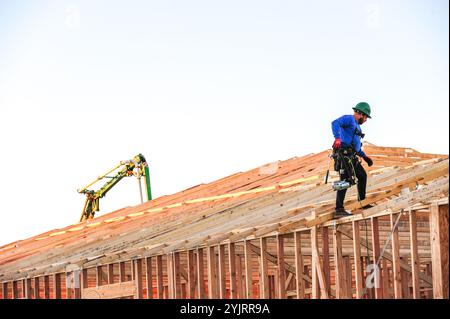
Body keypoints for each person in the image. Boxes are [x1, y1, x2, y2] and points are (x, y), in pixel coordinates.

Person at [331, 102, 374, 218]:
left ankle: (362, 202)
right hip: (344, 154)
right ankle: (338, 209)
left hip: (352, 156)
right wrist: (337, 138)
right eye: (365, 117)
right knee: (346, 180)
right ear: (360, 113)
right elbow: (335, 123)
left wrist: (365, 157)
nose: (365, 120)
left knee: (362, 176)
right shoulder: (349, 119)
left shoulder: (358, 127)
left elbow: (356, 146)